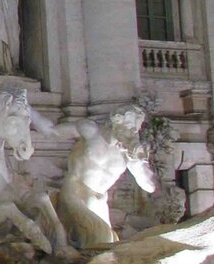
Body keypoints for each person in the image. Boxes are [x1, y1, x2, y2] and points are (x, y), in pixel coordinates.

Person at [49, 105, 158, 248]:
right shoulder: (91, 131)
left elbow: (149, 187)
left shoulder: (127, 155)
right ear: (117, 122)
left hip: (99, 200)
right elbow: (52, 131)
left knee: (108, 243)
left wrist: (138, 162)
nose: (132, 132)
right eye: (129, 126)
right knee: (101, 239)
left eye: (135, 129)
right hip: (75, 192)